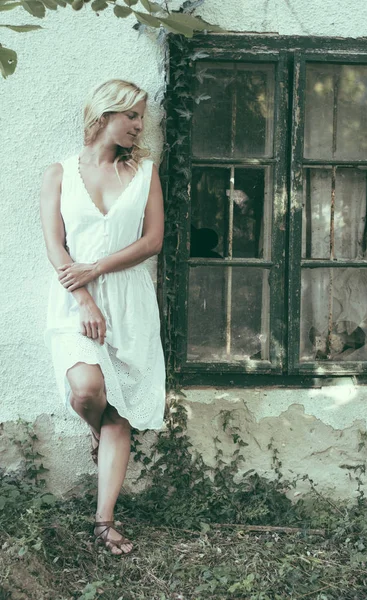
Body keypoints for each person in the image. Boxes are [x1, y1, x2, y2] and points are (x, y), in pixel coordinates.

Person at [40, 79, 166, 556]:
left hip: (131, 303)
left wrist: (98, 267)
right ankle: (99, 430)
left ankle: (104, 521)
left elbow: (151, 241)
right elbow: (57, 247)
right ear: (104, 114)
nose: (138, 126)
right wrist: (85, 296)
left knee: (121, 412)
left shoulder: (144, 172)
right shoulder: (59, 174)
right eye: (131, 115)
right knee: (87, 391)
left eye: (141, 118)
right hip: (75, 299)